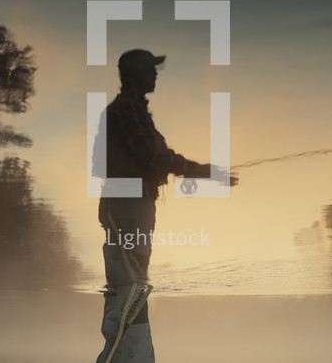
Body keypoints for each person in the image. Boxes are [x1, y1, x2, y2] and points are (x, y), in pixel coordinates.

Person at [94, 49, 235, 363]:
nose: (156, 75)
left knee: (132, 283)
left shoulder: (132, 111)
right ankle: (128, 358)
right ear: (133, 74)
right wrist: (204, 170)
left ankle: (134, 357)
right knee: (130, 285)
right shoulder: (127, 110)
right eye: (150, 70)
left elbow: (148, 157)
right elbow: (154, 156)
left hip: (131, 205)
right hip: (127, 207)